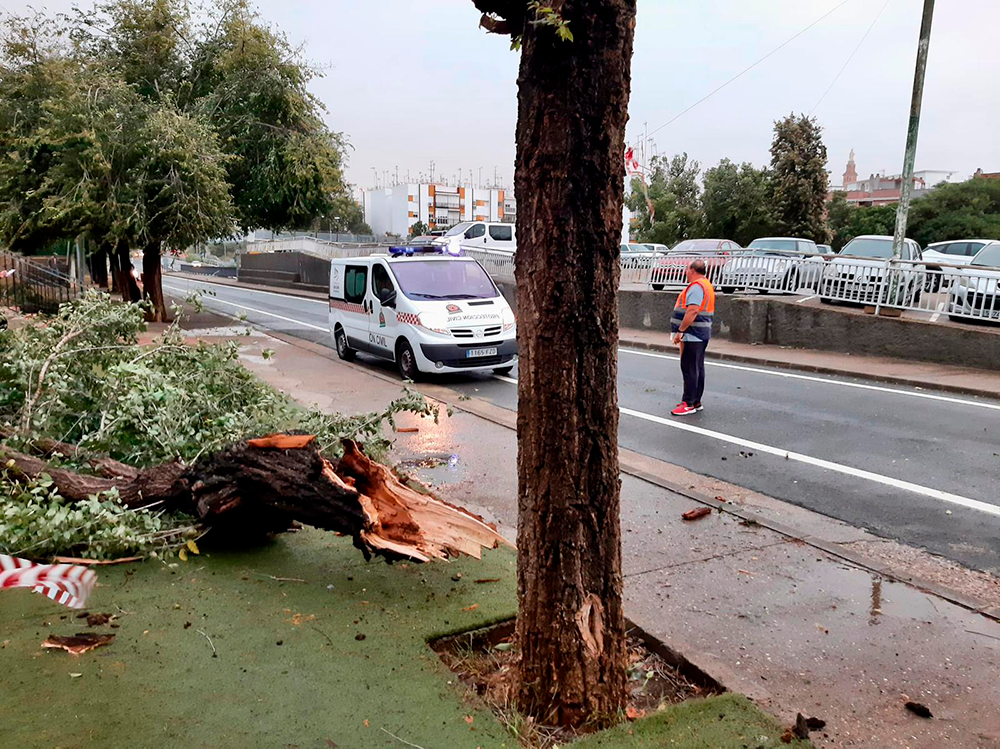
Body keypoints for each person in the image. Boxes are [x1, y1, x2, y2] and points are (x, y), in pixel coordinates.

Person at [669, 259, 715, 416]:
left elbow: (692, 311)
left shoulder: (696, 287)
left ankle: (688, 403)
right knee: (697, 367)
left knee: (689, 368)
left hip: (693, 333)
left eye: (687, 269)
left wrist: (681, 330)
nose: (685, 272)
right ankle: (695, 400)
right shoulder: (706, 284)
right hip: (701, 332)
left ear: (693, 270)